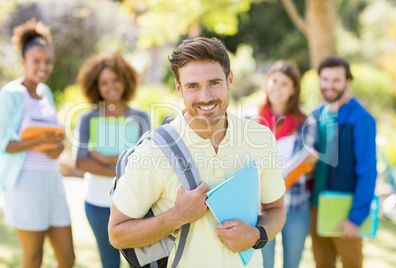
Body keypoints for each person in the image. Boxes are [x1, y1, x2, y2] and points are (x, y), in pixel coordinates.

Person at [108, 37, 287, 267]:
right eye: (193, 86)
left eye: (214, 82)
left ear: (229, 80)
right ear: (180, 89)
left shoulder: (260, 139)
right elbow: (117, 234)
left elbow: (276, 209)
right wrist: (177, 216)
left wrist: (257, 235)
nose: (205, 97)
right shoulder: (153, 152)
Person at [0, 19, 75, 267]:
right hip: (25, 183)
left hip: (52, 181)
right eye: (36, 61)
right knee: (33, 258)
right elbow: (4, 144)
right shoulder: (11, 94)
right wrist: (38, 141)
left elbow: (52, 136)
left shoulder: (47, 93)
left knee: (67, 257)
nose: (43, 67)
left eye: (47, 61)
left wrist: (57, 146)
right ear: (23, 62)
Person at [73, 51, 150, 268]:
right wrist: (123, 169)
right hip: (98, 204)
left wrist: (105, 158)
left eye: (115, 79)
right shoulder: (87, 119)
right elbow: (81, 161)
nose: (111, 86)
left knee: (141, 262)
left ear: (125, 80)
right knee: (109, 262)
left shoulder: (140, 117)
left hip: (136, 205)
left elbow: (147, 160)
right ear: (95, 86)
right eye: (103, 82)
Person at [310, 56, 377, 268]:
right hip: (316, 206)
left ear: (348, 81)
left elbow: (368, 171)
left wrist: (356, 218)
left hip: (345, 210)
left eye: (336, 80)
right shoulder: (316, 114)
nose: (329, 86)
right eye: (325, 79)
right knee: (322, 264)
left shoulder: (361, 118)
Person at [257, 61, 317, 268]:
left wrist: (309, 164)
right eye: (274, 81)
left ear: (293, 90)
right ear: (267, 83)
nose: (277, 87)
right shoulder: (251, 121)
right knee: (263, 264)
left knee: (292, 264)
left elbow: (306, 169)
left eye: (285, 84)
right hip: (260, 208)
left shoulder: (306, 124)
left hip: (295, 205)